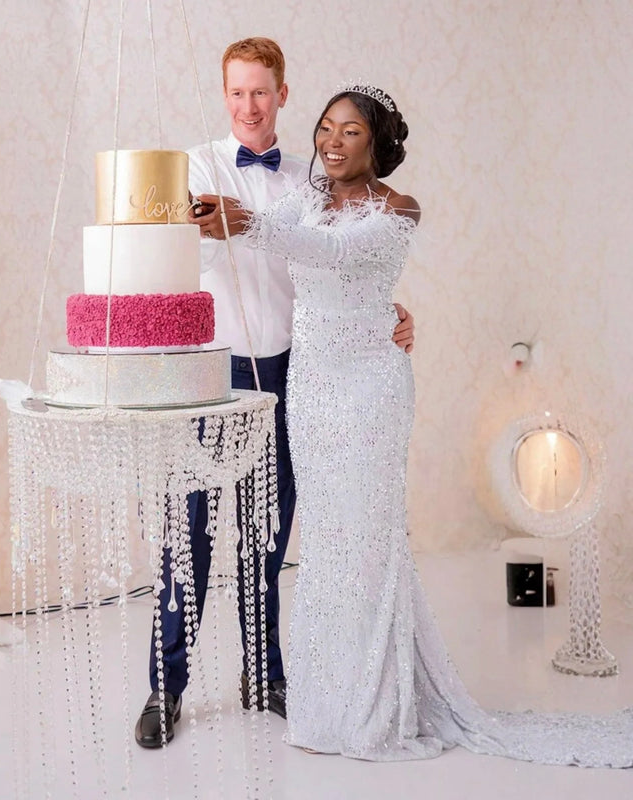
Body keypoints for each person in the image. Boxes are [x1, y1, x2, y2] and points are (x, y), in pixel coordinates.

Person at [193, 84, 633, 766]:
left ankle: (378, 710)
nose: (332, 143)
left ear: (378, 144)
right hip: (311, 390)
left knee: (369, 543)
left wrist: (248, 224)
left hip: (372, 389)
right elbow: (278, 241)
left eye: (350, 133)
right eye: (326, 129)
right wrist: (226, 222)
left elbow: (332, 254)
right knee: (327, 549)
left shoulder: (400, 209)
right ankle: (324, 706)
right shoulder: (303, 197)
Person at [134, 39, 416, 749]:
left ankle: (265, 676)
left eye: (260, 92)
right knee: (188, 538)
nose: (248, 106)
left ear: (283, 95)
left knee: (266, 538)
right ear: (223, 95)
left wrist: (392, 310)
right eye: (236, 93)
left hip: (292, 374)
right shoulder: (196, 166)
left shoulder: (311, 181)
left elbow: (342, 262)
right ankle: (165, 692)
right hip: (209, 373)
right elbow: (171, 250)